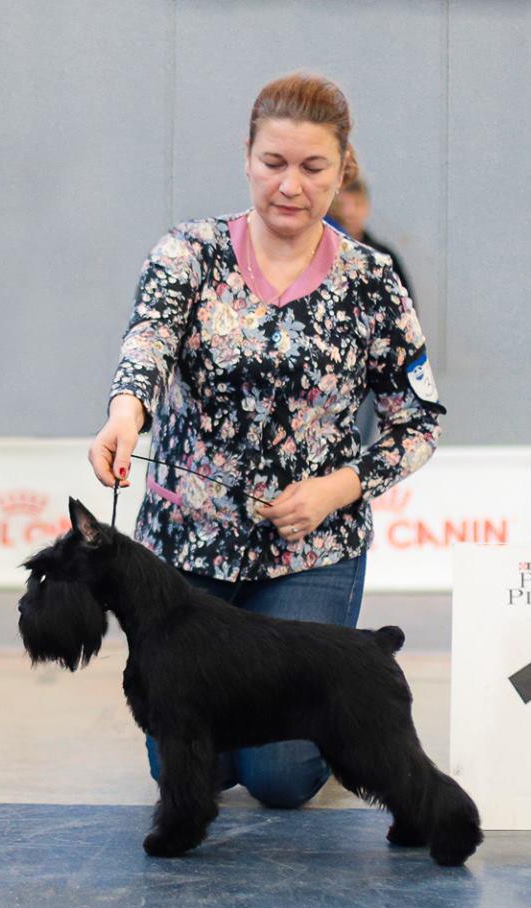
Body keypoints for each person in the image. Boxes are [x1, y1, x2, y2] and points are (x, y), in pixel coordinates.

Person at [88, 72, 446, 810]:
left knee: (280, 778)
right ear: (246, 158)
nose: (290, 185)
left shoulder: (373, 280)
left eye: (313, 167)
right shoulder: (187, 253)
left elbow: (418, 422)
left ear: (342, 170)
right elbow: (148, 342)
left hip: (311, 551)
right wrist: (126, 412)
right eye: (273, 163)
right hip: (187, 549)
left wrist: (335, 490)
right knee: (192, 762)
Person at [330, 174, 415, 304]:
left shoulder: (382, 256)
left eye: (357, 204)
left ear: (367, 207)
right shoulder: (325, 254)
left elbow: (404, 306)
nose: (349, 212)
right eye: (341, 205)